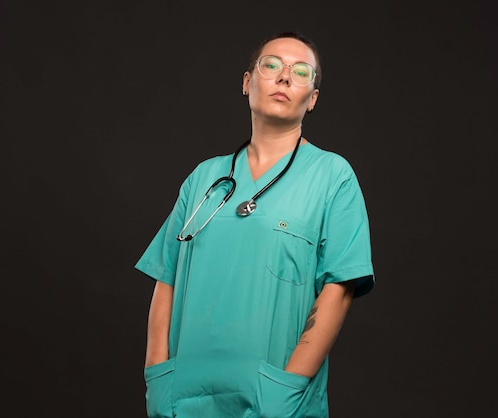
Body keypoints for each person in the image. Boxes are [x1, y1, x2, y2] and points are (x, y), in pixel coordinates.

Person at [135, 31, 375, 418]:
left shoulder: (333, 176)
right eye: (272, 65)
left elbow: (339, 289)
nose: (284, 78)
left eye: (301, 72)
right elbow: (167, 277)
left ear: (312, 98)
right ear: (248, 83)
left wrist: (289, 387)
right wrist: (157, 376)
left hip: (274, 400)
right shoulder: (204, 178)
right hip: (183, 398)